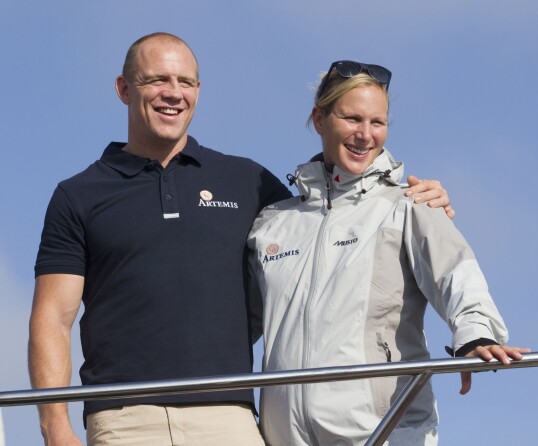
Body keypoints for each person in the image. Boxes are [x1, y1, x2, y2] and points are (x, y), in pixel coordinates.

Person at [28, 34, 453, 446]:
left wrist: (412, 197)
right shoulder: (78, 194)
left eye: (186, 82)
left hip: (230, 416)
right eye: (157, 80)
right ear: (124, 89)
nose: (173, 93)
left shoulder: (247, 181)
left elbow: (329, 220)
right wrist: (55, 427)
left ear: (198, 91)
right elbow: (53, 317)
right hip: (123, 420)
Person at [247, 60, 530, 446]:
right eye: (352, 119)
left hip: (384, 430)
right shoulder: (273, 223)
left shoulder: (410, 204)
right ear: (319, 118)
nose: (365, 135)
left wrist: (475, 335)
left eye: (377, 123)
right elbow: (235, 319)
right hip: (285, 436)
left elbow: (456, 274)